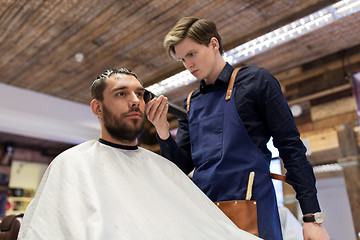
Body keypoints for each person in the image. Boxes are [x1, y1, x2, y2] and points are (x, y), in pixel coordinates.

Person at [18, 68, 261, 240]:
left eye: (140, 94)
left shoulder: (162, 168)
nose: (136, 101)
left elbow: (209, 227)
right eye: (121, 93)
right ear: (97, 108)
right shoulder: (71, 164)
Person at [146, 17, 330, 240]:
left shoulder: (257, 82)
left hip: (253, 207)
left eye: (192, 54)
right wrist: (163, 131)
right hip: (205, 213)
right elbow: (182, 168)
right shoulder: (190, 103)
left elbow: (291, 148)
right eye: (182, 59)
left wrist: (312, 218)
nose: (188, 65)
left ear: (214, 45)